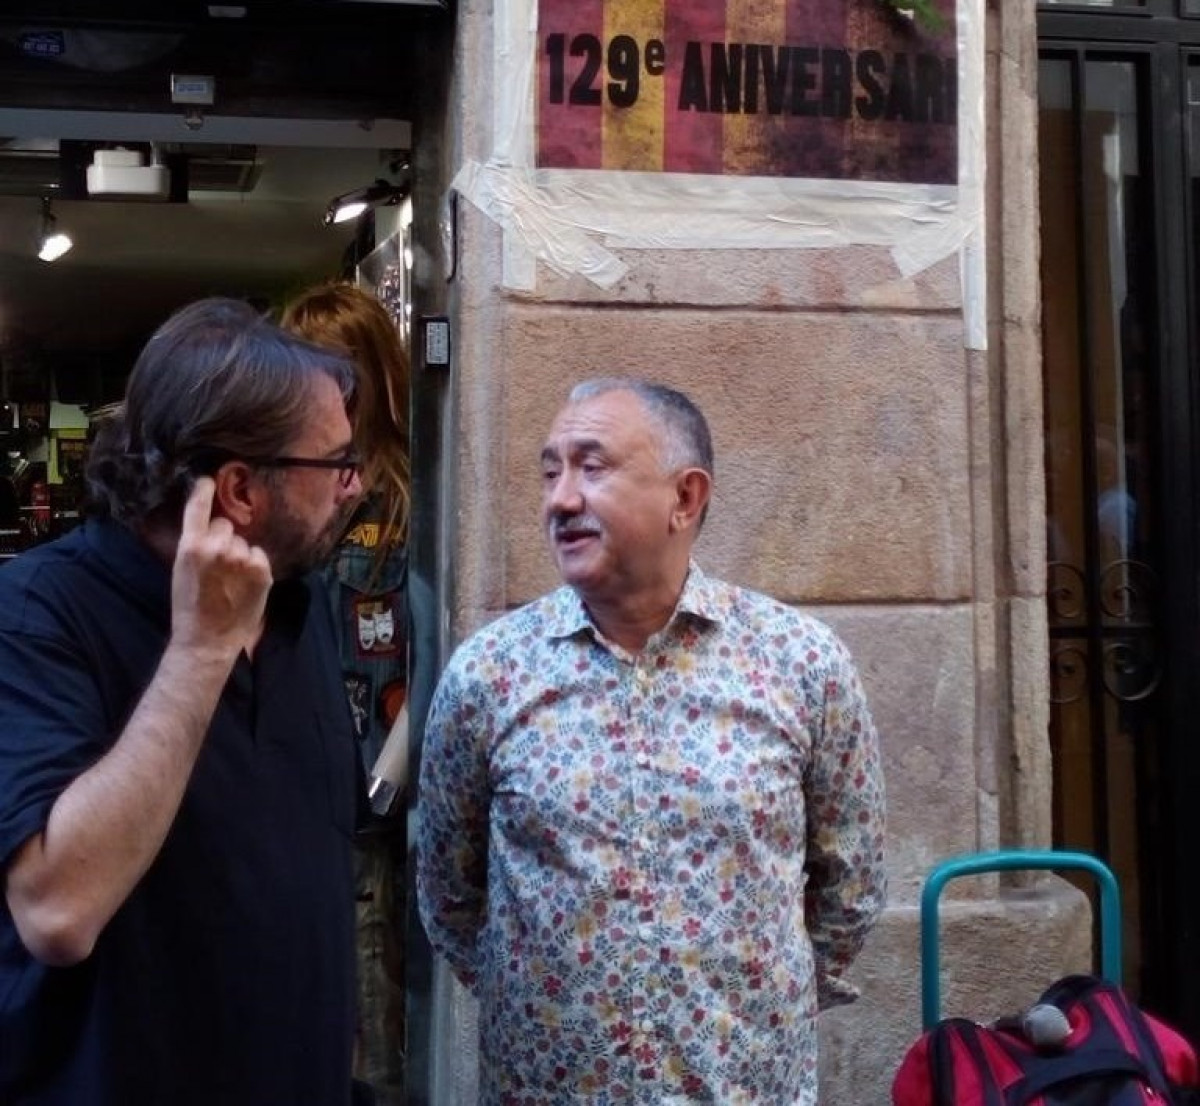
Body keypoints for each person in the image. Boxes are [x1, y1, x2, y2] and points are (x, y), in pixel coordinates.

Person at [417, 378, 888, 1104]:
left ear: (685, 498)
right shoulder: (489, 673)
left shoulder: (800, 662)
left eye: (592, 467)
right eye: (550, 471)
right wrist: (548, 1003)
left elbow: (850, 885)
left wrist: (759, 1003)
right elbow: (449, 891)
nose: (560, 499)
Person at [0, 297, 366, 1105]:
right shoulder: (34, 616)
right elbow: (57, 912)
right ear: (239, 490)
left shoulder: (298, 607)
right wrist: (200, 650)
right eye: (336, 462)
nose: (356, 485)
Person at [282, 283, 415, 1106]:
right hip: (288, 787)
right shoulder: (287, 493)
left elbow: (432, 647)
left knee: (370, 1018)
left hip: (374, 800)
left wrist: (388, 780)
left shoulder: (408, 498)